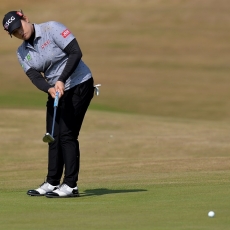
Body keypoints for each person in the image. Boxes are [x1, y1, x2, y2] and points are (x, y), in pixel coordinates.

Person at [2, 10, 98, 198]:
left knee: (67, 135)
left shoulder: (51, 28)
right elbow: (34, 76)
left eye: (19, 27)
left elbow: (75, 52)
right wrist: (49, 89)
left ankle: (70, 185)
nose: (19, 33)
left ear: (25, 19)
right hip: (57, 92)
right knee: (52, 135)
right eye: (14, 32)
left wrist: (61, 79)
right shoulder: (21, 52)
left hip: (79, 84)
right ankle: (52, 181)